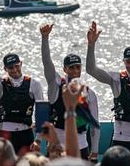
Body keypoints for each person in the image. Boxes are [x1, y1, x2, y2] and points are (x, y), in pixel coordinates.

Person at [86, 21, 130, 155]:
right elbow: (91, 69)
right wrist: (91, 44)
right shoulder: (116, 80)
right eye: (128, 62)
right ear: (124, 62)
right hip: (121, 139)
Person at [40, 23, 100, 160]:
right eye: (71, 68)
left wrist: (95, 150)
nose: (75, 71)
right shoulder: (56, 86)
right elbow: (47, 63)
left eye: (78, 67)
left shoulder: (89, 94)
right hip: (58, 148)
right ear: (65, 70)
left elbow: (95, 124)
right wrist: (44, 38)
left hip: (82, 147)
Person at [0, 28, 44, 154]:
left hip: (25, 134)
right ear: (5, 68)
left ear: (21, 64)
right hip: (5, 135)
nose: (14, 70)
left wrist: (38, 140)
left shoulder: (34, 84)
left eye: (16, 66)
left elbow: (41, 113)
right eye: (10, 67)